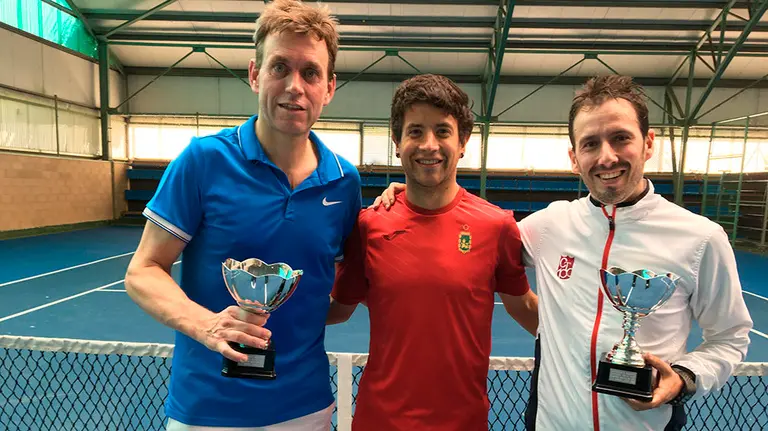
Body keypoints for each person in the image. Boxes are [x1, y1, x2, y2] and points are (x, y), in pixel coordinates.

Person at [372, 75, 752, 431]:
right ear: (574, 157)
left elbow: (731, 336)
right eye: (590, 143)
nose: (606, 157)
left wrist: (684, 378)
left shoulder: (701, 238)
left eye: (620, 138)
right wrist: (410, 194)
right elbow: (463, 237)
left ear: (648, 142)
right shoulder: (550, 225)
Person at [124, 1, 361, 430]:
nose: (294, 85)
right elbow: (143, 271)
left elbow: (339, 289)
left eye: (310, 72)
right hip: (207, 409)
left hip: (305, 408)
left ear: (329, 87)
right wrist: (207, 326)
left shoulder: (345, 183)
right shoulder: (203, 161)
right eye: (279, 68)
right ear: (255, 74)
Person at [326, 74, 539, 431]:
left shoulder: (497, 226)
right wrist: (259, 311)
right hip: (379, 422)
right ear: (397, 142)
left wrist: (594, 354)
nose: (428, 145)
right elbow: (336, 310)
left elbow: (528, 311)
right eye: (415, 132)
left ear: (463, 142)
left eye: (442, 131)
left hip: (464, 423)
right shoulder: (369, 226)